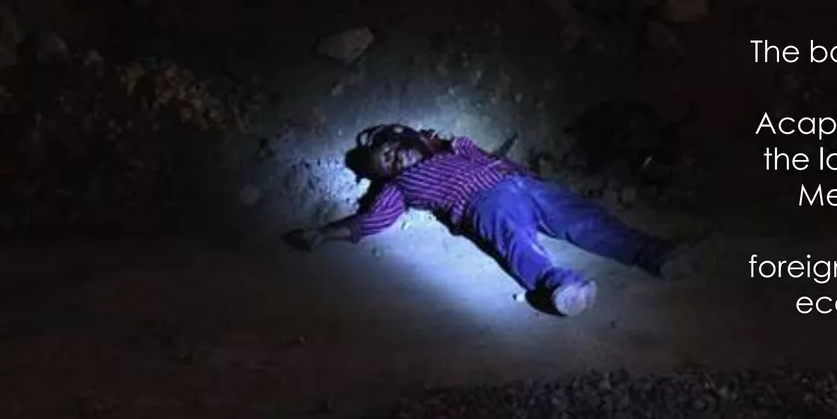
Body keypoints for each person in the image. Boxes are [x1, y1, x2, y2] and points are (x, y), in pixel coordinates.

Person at [284, 123, 694, 316]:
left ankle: (656, 253)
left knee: (586, 220)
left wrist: (528, 177)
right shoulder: (401, 187)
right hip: (482, 204)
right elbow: (370, 220)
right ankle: (560, 284)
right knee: (515, 243)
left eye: (390, 150)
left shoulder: (449, 146)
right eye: (387, 165)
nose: (394, 160)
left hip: (522, 184)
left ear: (401, 136)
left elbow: (492, 158)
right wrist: (324, 233)